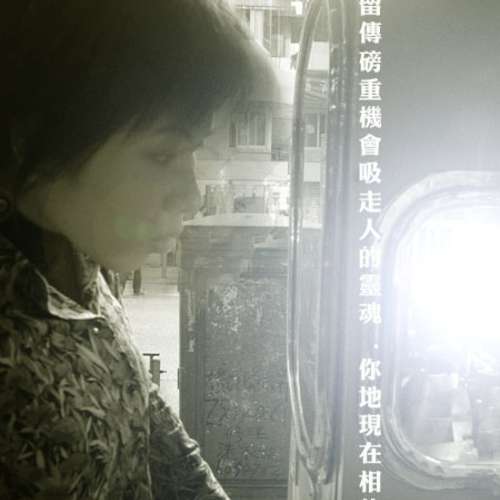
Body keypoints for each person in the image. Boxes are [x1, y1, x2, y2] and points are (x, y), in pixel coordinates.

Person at [0, 1, 271, 498]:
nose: (192, 196)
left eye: (192, 152)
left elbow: (155, 427)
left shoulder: (76, 259)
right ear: (34, 133)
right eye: (163, 154)